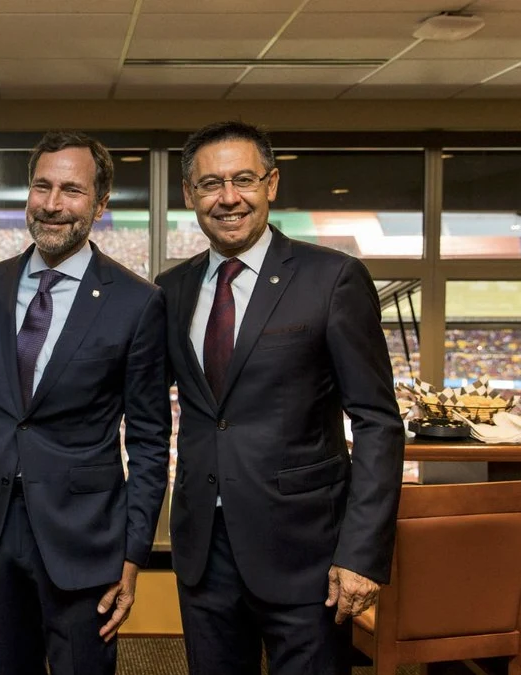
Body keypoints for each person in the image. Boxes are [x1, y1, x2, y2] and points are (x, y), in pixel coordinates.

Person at [154, 120, 405, 675]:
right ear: (190, 195)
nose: (228, 198)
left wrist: (360, 555)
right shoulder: (171, 290)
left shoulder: (332, 279)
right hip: (203, 550)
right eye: (211, 184)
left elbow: (378, 423)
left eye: (243, 179)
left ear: (271, 184)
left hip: (305, 552)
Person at [0, 131, 171, 675]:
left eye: (71, 190)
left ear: (99, 204)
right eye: (42, 186)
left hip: (85, 538)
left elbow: (148, 438)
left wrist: (134, 552)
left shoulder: (137, 302)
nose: (52, 204)